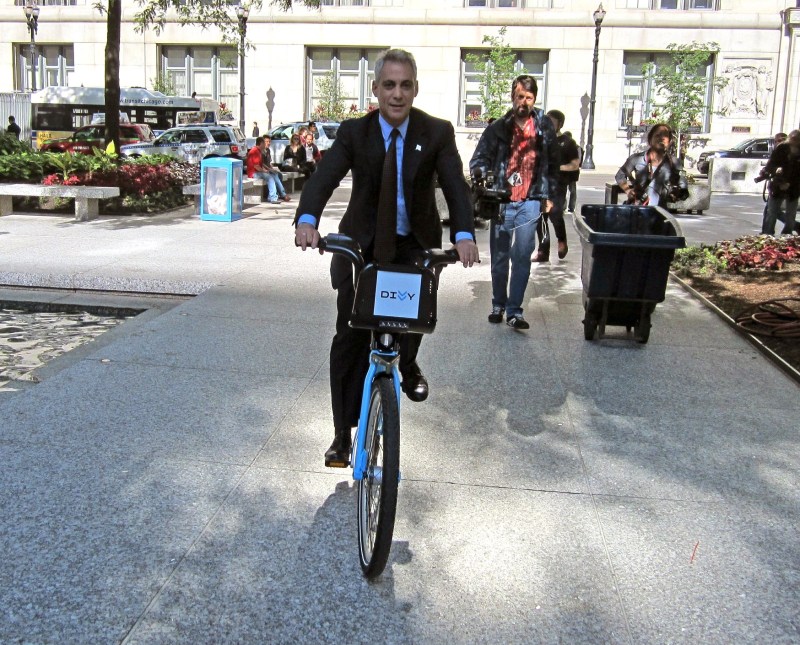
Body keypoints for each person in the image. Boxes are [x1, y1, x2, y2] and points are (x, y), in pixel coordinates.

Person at [294, 48, 479, 467]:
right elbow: (325, 177)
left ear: (415, 89)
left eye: (406, 85)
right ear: (375, 89)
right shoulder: (354, 133)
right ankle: (343, 434)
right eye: (389, 85)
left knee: (412, 316)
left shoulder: (436, 131)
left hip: (413, 243)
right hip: (363, 244)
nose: (397, 94)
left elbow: (454, 185)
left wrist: (464, 234)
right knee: (350, 335)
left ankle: (409, 364)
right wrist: (307, 219)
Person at [470, 74, 558, 330]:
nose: (524, 102)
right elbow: (478, 159)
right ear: (512, 97)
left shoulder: (544, 127)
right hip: (502, 200)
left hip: (530, 200)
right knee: (499, 257)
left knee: (521, 256)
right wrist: (482, 176)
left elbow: (553, 163)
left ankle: (514, 311)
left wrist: (549, 195)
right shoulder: (498, 127)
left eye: (529, 98)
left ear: (535, 99)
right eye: (520, 96)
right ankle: (498, 304)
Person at [532, 110, 579, 262]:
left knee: (555, 213)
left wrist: (556, 168)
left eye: (552, 121)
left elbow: (574, 165)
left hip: (558, 185)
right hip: (540, 184)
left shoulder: (567, 142)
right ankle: (543, 251)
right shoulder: (540, 140)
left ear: (560, 124)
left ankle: (562, 240)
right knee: (540, 216)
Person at [615, 123, 688, 207]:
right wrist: (628, 191)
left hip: (661, 211)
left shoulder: (674, 162)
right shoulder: (636, 159)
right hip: (639, 209)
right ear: (650, 139)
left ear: (669, 141)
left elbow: (683, 187)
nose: (662, 138)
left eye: (665, 136)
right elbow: (619, 176)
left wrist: (677, 194)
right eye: (658, 135)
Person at [758, 129, 800, 235]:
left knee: (791, 215)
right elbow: (770, 165)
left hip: (794, 188)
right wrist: (777, 171)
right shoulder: (782, 148)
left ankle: (786, 235)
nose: (793, 141)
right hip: (778, 185)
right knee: (771, 213)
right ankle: (768, 235)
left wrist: (791, 184)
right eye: (792, 138)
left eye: (796, 139)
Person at [245, 136, 290, 204]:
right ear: (260, 143)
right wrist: (265, 171)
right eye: (264, 143)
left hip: (258, 171)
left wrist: (269, 169)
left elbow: (261, 164)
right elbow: (256, 166)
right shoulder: (255, 151)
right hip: (253, 173)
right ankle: (273, 198)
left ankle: (275, 196)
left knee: (274, 174)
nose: (265, 144)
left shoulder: (259, 151)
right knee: (270, 178)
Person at [562, 130, 581, 213]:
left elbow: (578, 160)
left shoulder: (576, 147)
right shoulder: (562, 147)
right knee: (564, 190)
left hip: (572, 173)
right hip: (565, 173)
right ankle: (564, 206)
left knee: (572, 190)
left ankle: (571, 207)